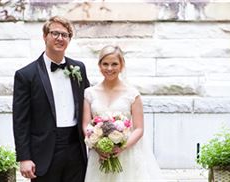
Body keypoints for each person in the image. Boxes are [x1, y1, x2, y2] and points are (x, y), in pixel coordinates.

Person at [12, 16, 89, 182]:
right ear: (45, 36)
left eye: (65, 35)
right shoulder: (26, 75)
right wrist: (24, 157)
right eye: (55, 33)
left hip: (76, 149)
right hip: (44, 152)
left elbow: (89, 105)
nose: (60, 38)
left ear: (69, 39)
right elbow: (20, 121)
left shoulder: (79, 68)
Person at [83, 45, 164, 181]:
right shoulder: (90, 93)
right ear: (99, 65)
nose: (109, 68)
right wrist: (97, 146)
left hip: (126, 154)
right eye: (105, 64)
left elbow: (139, 128)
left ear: (121, 65)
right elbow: (86, 124)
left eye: (114, 64)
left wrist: (121, 147)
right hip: (99, 155)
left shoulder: (132, 94)